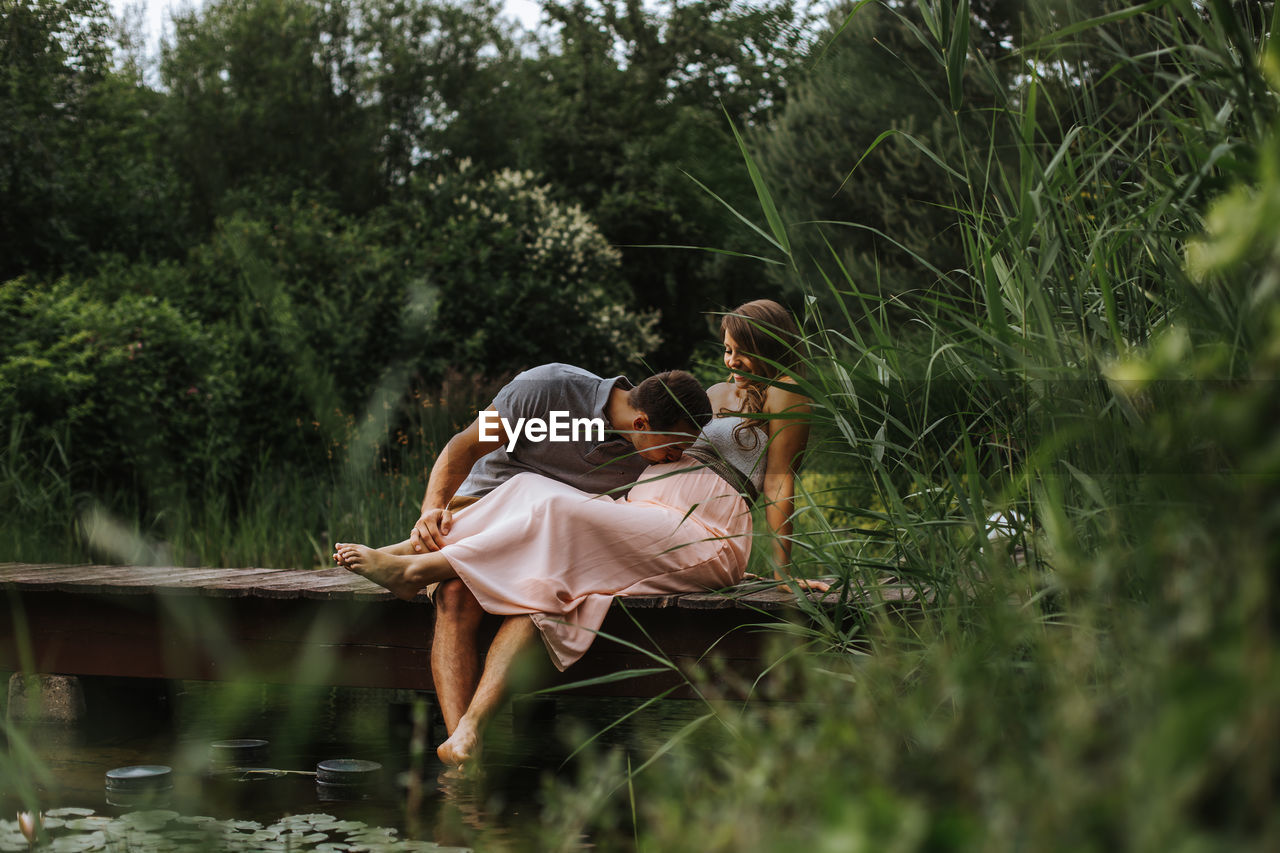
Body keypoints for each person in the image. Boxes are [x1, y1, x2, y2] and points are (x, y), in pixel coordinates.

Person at [336, 299, 820, 766]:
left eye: (740, 349)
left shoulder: (789, 394)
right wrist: (432, 507)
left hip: (701, 526)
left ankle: (418, 567)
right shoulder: (707, 394)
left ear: (769, 345)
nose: (730, 360)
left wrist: (783, 573)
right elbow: (464, 445)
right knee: (544, 557)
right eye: (726, 349)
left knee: (556, 510)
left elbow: (778, 485)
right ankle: (469, 733)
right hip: (643, 511)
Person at [345, 363, 712, 751]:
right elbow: (466, 445)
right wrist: (430, 511)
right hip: (484, 509)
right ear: (641, 423)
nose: (678, 455)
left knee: (537, 605)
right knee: (455, 596)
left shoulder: (653, 457)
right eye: (675, 445)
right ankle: (464, 750)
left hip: (554, 544)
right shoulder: (547, 390)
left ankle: (464, 743)